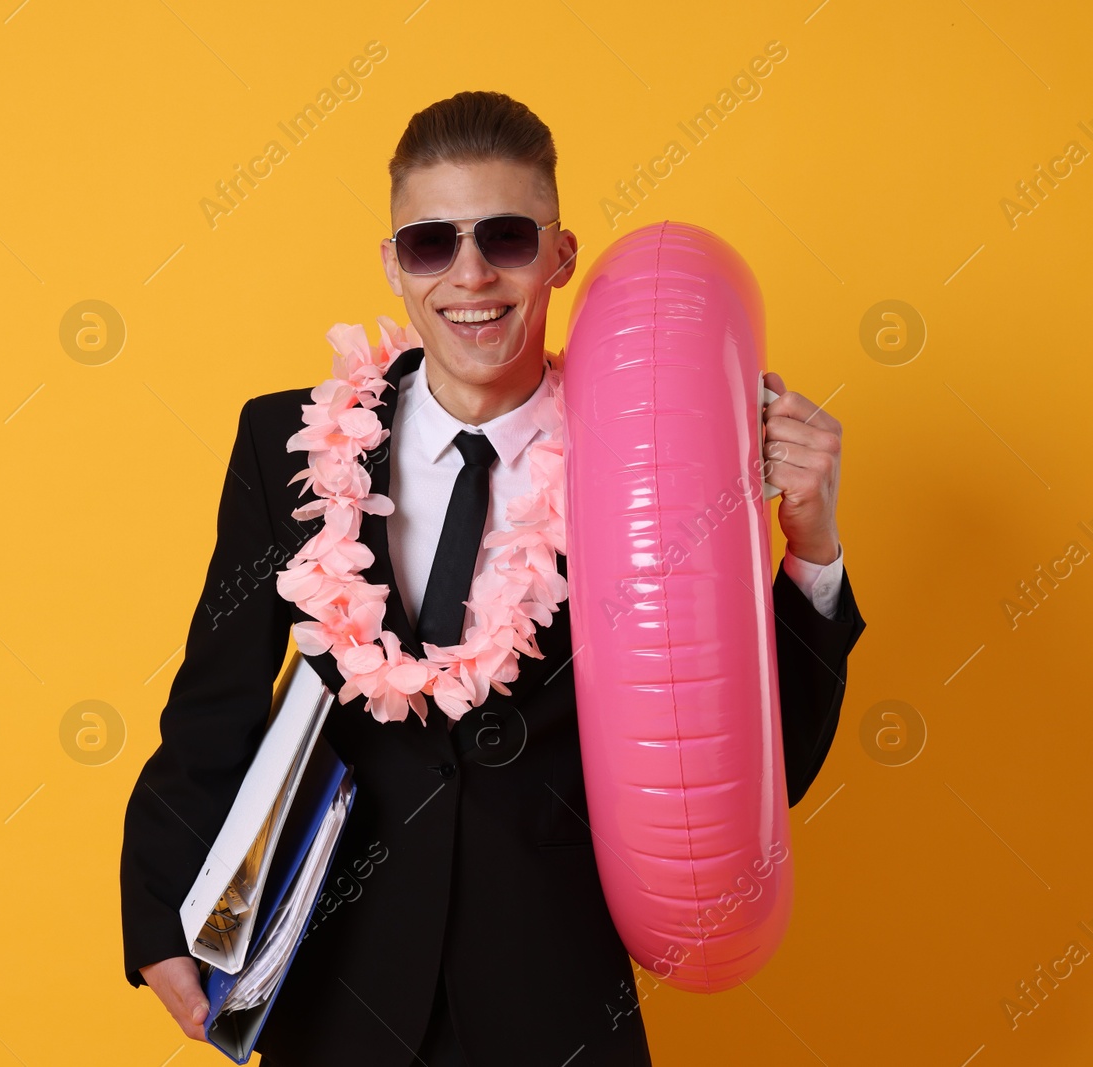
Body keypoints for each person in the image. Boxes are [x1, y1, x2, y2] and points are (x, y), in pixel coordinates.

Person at [120, 90, 866, 1066]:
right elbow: (215, 702)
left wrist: (811, 545)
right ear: (392, 265)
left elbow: (759, 766)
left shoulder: (652, 456)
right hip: (338, 989)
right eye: (431, 243)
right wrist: (159, 908)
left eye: (505, 236)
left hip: (551, 996)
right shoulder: (287, 442)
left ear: (558, 256)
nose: (469, 274)